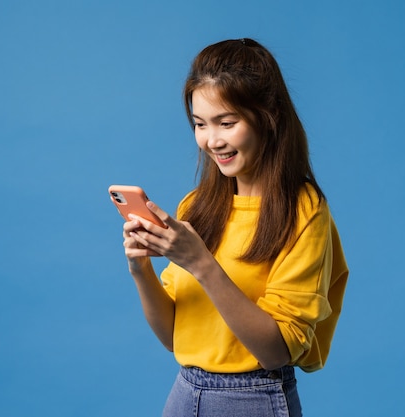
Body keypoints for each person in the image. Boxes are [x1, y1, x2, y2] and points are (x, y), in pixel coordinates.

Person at [120, 38, 349, 417]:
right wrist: (140, 267)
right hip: (184, 393)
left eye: (227, 122)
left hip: (253, 398)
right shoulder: (197, 206)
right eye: (200, 124)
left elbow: (278, 351)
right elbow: (174, 338)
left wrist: (202, 264)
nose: (213, 140)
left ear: (269, 116)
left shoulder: (304, 211)